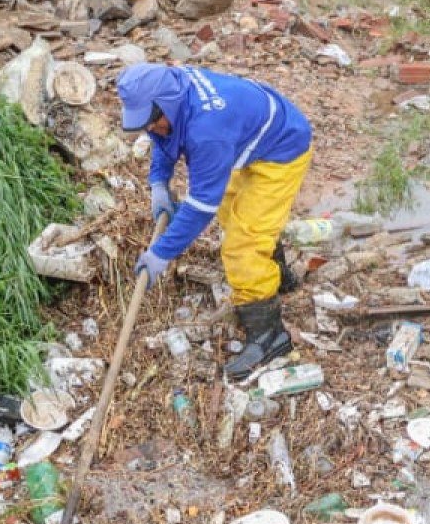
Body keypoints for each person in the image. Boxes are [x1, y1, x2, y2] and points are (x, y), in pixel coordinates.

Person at [116, 62, 313, 381]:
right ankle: (277, 277)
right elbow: (165, 135)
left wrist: (161, 253)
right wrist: (158, 182)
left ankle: (269, 337)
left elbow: (199, 206)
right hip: (249, 137)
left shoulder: (207, 132)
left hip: (282, 150)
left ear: (166, 104)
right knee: (232, 209)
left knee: (243, 244)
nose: (149, 128)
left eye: (152, 120)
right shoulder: (174, 92)